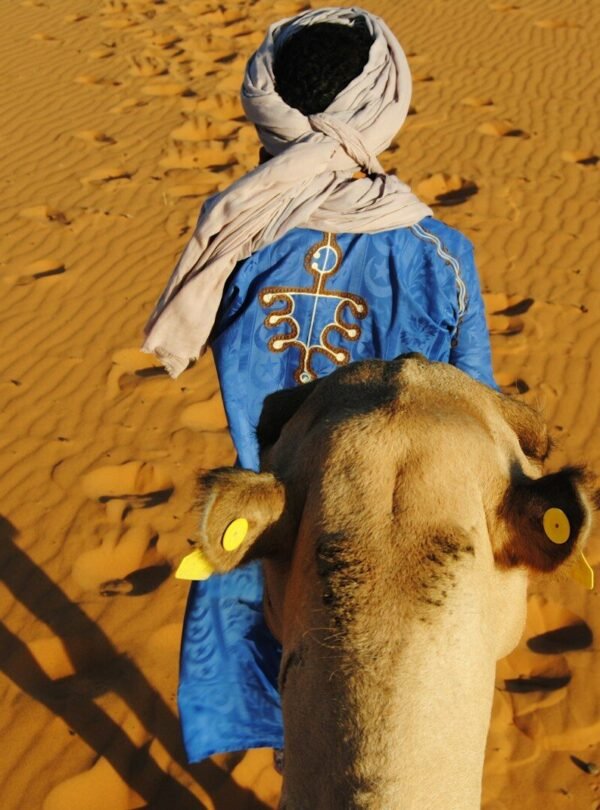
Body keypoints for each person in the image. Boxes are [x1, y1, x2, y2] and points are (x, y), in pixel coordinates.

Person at [143, 7, 496, 762]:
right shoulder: (441, 255)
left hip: (264, 529)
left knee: (288, 711)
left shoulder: (237, 240)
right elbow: (480, 418)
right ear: (383, 108)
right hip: (386, 553)